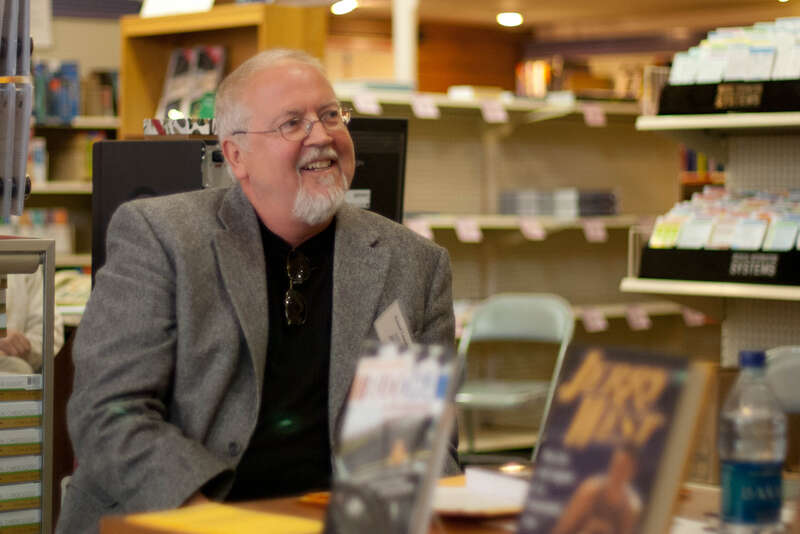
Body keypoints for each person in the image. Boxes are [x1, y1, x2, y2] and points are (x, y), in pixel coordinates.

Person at [57, 48, 457, 534]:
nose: (323, 135)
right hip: (178, 517)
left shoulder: (414, 264)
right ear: (236, 156)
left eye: (331, 115)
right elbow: (107, 412)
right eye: (293, 123)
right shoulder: (161, 237)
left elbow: (416, 443)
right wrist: (210, 520)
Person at [550, 445, 642, 534]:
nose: (618, 471)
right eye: (616, 464)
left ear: (632, 471)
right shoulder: (591, 490)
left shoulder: (631, 507)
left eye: (624, 467)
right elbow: (565, 526)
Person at [0, 269, 64, 374]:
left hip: (19, 370)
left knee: (18, 369)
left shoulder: (25, 261)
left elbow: (50, 336)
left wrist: (23, 346)